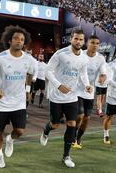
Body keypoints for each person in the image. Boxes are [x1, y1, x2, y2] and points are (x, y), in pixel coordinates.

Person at [0, 25, 35, 168]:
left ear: (25, 43)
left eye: (22, 39)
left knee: (20, 131)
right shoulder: (0, 58)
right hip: (1, 103)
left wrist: (28, 90)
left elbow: (30, 73)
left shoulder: (28, 59)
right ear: (10, 41)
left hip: (19, 102)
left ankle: (10, 139)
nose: (19, 41)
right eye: (16, 38)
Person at [40, 29, 91, 168]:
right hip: (56, 96)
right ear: (71, 39)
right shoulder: (60, 54)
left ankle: (66, 156)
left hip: (72, 97)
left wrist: (87, 85)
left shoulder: (84, 58)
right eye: (76, 39)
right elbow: (47, 71)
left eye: (81, 39)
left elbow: (83, 73)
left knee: (72, 125)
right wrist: (58, 85)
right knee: (55, 124)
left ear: (83, 41)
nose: (78, 42)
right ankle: (46, 131)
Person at [72, 35, 107, 149]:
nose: (95, 45)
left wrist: (102, 77)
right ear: (87, 43)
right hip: (77, 90)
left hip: (89, 92)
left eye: (97, 43)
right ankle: (73, 136)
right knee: (80, 115)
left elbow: (103, 72)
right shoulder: (80, 54)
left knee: (87, 118)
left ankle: (78, 138)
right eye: (93, 42)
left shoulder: (101, 58)